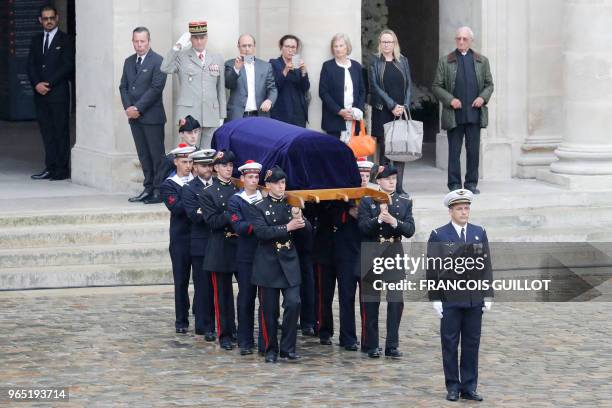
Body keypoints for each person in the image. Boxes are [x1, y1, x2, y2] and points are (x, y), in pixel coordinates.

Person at [426, 188, 493, 402]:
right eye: (460, 209)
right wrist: (435, 297)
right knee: (450, 343)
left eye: (466, 208)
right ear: (451, 211)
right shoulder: (440, 235)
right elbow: (432, 268)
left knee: (472, 343)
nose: (464, 212)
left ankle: (469, 386)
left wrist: (488, 294)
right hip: (450, 298)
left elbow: (486, 265)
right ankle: (453, 386)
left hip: (474, 298)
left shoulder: (478, 232)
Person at [250, 166, 311, 363]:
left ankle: (287, 347)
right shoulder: (259, 206)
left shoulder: (290, 205)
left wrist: (299, 218)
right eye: (277, 183)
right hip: (268, 263)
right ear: (268, 185)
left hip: (289, 262)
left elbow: (308, 233)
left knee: (294, 303)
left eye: (283, 182)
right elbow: (261, 232)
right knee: (269, 310)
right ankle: (270, 349)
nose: (281, 186)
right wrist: (287, 227)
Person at [358, 163, 415, 358]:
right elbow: (363, 228)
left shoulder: (404, 201)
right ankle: (372, 344)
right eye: (388, 179)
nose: (392, 182)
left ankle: (392, 344)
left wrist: (394, 222)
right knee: (371, 301)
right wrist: (379, 219)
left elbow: (410, 230)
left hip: (393, 252)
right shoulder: (367, 201)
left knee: (396, 300)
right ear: (379, 181)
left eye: (394, 179)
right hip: (372, 251)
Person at [432, 26, 494, 194]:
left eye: (464, 39)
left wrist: (483, 97)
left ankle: (471, 184)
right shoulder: (446, 61)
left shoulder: (482, 61)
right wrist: (450, 99)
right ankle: (453, 184)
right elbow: (437, 86)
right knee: (454, 151)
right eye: (458, 38)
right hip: (454, 115)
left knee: (473, 151)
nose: (461, 41)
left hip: (474, 114)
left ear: (470, 41)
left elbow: (489, 84)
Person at [119, 26, 167, 204]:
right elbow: (123, 86)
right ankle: (148, 188)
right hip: (134, 117)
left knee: (156, 156)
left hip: (152, 117)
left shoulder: (158, 61)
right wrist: (128, 108)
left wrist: (137, 108)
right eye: (136, 41)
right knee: (143, 155)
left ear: (148, 41)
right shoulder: (129, 61)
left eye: (142, 41)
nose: (139, 45)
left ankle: (158, 190)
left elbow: (156, 89)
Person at [27, 4, 74, 181]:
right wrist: (37, 84)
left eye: (51, 18)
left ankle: (61, 170)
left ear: (57, 18)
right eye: (45, 18)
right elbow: (31, 65)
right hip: (40, 95)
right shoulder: (36, 40)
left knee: (60, 131)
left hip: (58, 94)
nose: (48, 21)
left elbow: (67, 65)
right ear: (40, 20)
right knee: (47, 132)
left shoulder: (66, 40)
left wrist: (48, 83)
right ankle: (50, 167)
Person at [161, 21, 226, 148]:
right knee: (188, 155)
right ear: (191, 38)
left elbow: (220, 89)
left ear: (206, 38)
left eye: (202, 38)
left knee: (206, 155)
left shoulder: (217, 58)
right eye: (196, 38)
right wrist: (177, 46)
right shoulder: (182, 56)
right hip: (189, 114)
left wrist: (222, 115)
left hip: (211, 114)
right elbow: (165, 68)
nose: (199, 41)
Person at [333, 158, 374, 351]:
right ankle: (347, 337)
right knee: (346, 297)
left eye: (367, 175)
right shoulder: (342, 196)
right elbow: (330, 218)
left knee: (367, 300)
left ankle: (368, 340)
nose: (364, 179)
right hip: (347, 253)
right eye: (360, 175)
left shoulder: (374, 196)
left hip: (366, 252)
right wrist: (347, 213)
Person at [200, 150, 240, 350]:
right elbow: (212, 221)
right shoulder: (209, 193)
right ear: (215, 168)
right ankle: (225, 333)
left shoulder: (238, 189)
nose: (228, 169)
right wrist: (231, 213)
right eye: (224, 165)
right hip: (221, 247)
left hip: (240, 247)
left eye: (231, 166)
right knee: (222, 296)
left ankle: (242, 332)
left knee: (246, 293)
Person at [369, 29, 412, 193]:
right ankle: (385, 188)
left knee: (400, 152)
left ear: (395, 44)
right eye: (383, 42)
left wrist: (404, 107)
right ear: (380, 44)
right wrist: (392, 105)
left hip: (400, 113)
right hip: (383, 112)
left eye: (389, 42)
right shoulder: (374, 62)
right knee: (386, 153)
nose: (386, 45)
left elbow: (408, 87)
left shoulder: (403, 61)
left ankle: (399, 188)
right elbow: (375, 87)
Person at [228, 160, 264, 355]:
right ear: (242, 179)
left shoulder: (264, 198)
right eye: (249, 177)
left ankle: (265, 339)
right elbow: (238, 226)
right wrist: (259, 226)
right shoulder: (236, 200)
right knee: (246, 297)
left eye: (256, 177)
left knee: (266, 299)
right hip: (246, 255)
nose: (253, 180)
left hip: (264, 254)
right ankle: (245, 340)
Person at [159, 144, 196, 333]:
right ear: (176, 162)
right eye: (184, 162)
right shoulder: (169, 184)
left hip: (198, 237)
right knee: (181, 281)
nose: (188, 166)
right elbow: (177, 208)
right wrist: (196, 204)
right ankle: (181, 320)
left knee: (201, 280)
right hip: (181, 239)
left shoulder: (197, 180)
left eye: (190, 161)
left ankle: (201, 314)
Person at [182, 148, 217, 341]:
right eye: (204, 165)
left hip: (219, 242)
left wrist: (208, 212)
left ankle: (219, 323)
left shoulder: (218, 185)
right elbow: (193, 215)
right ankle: (204, 326)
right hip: (201, 243)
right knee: (203, 287)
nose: (208, 169)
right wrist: (213, 213)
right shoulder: (189, 188)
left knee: (219, 287)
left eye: (210, 165)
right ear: (195, 166)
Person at [318, 33, 366, 139]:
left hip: (354, 119)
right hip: (334, 120)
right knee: (334, 153)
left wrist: (357, 110)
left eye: (341, 45)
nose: (338, 49)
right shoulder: (327, 66)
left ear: (347, 47)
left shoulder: (356, 66)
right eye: (335, 46)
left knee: (353, 154)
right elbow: (323, 92)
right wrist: (339, 111)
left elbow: (362, 91)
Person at [224, 34, 277, 121]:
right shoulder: (230, 64)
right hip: (238, 115)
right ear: (238, 46)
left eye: (250, 45)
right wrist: (236, 69)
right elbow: (228, 85)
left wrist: (269, 100)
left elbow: (272, 88)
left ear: (254, 46)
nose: (247, 49)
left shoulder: (266, 66)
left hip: (260, 115)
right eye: (244, 46)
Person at [269, 35, 310, 127]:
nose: (290, 50)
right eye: (287, 46)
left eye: (293, 47)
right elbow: (274, 87)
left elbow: (305, 88)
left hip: (299, 113)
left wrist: (304, 71)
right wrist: (285, 70)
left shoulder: (298, 64)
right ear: (281, 47)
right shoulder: (273, 63)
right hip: (281, 112)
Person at [156, 115, 202, 186]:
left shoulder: (201, 154)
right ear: (181, 134)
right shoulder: (170, 158)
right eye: (189, 132)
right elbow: (160, 184)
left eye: (196, 132)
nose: (193, 136)